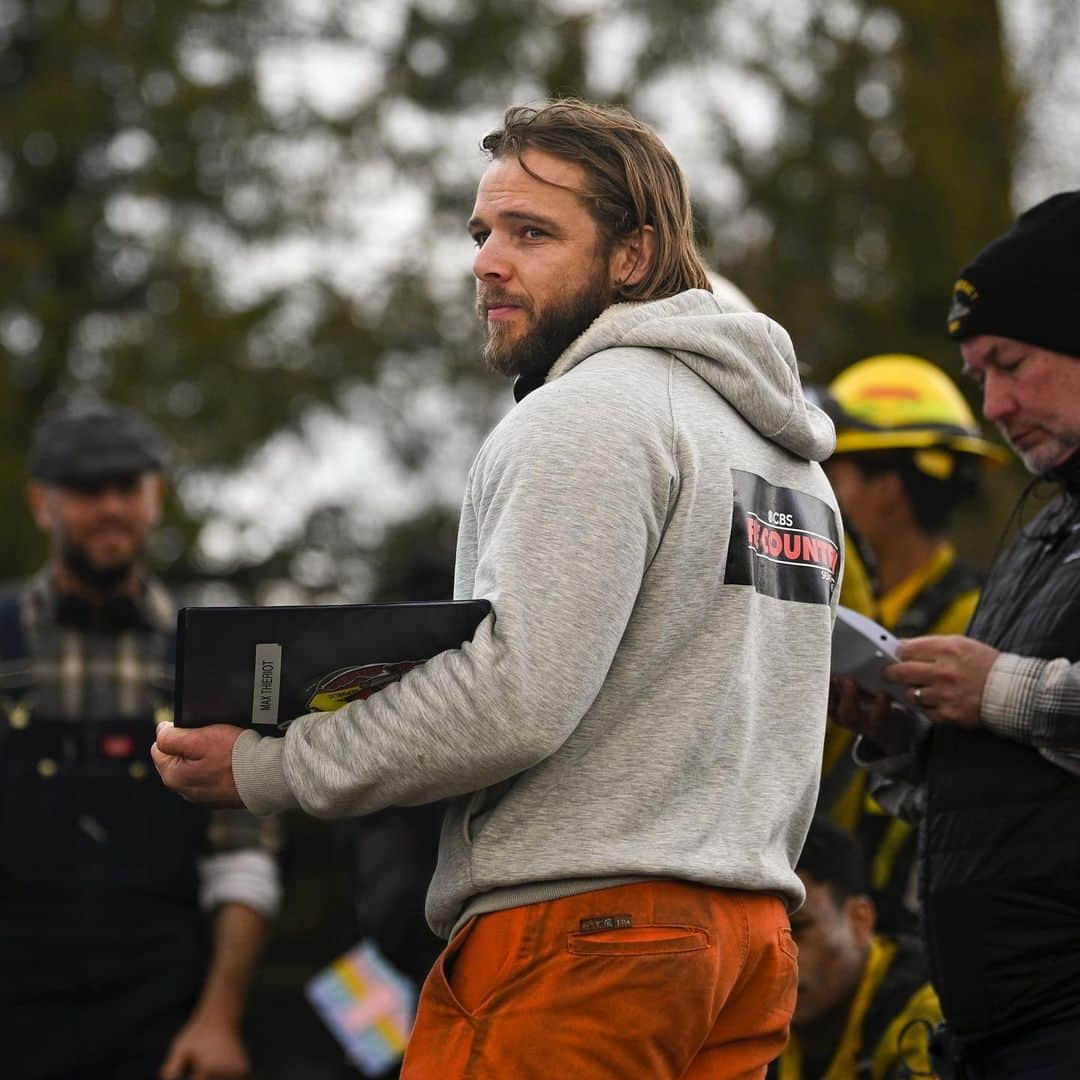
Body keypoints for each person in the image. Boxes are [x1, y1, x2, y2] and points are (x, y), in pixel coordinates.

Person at [154, 98, 843, 1078]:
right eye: (483, 232)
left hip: (583, 941)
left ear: (634, 255)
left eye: (532, 232)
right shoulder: (791, 461)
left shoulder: (589, 413)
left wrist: (269, 769)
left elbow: (513, 699)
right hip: (747, 946)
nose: (486, 261)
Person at [836, 189, 1080, 1074]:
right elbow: (1007, 795)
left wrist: (998, 689)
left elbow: (1005, 701)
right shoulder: (1044, 531)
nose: (997, 404)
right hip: (990, 1034)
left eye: (1012, 364)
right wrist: (902, 740)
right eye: (979, 377)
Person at [0, 400, 281, 1080]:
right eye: (87, 491)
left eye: (126, 488)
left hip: (163, 1027)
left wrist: (218, 1020)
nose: (110, 509)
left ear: (154, 498)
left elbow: (242, 860)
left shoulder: (203, 657)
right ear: (43, 504)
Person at [816, 355, 1006, 934]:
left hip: (905, 924)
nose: (819, 490)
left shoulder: (978, 620)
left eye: (836, 473)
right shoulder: (843, 599)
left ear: (892, 488)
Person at [769, 817, 941, 1080]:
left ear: (860, 920)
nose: (774, 958)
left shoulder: (925, 1014)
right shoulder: (754, 1029)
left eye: (797, 929)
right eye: (760, 939)